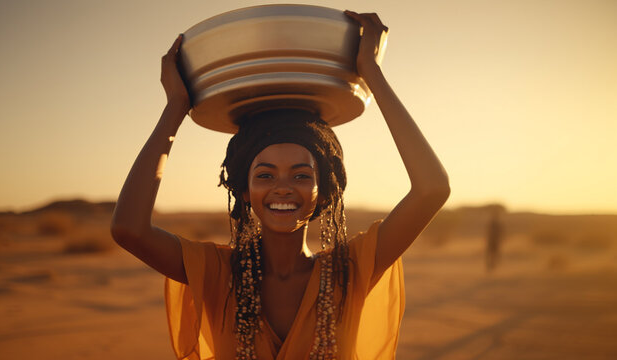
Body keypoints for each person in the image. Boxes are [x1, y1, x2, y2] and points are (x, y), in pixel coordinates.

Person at [111, 10, 450, 360]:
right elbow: (128, 229)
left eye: (302, 175)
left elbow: (432, 189)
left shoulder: (350, 270)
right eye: (265, 175)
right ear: (244, 191)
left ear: (325, 193)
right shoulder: (218, 274)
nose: (283, 188)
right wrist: (175, 107)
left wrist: (372, 74)